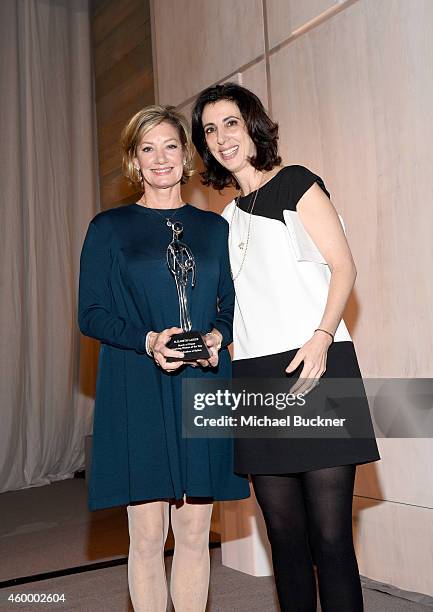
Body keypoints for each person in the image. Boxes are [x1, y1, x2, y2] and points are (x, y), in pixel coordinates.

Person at [191, 83, 380, 612]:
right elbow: (240, 307)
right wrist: (214, 342)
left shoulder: (297, 184)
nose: (222, 137)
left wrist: (321, 337)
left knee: (332, 541)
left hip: (315, 368)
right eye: (210, 129)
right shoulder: (226, 220)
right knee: (285, 542)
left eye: (230, 123)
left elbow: (345, 267)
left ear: (253, 125)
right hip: (255, 380)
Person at [78, 105, 249, 612]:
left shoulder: (213, 228)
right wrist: (148, 340)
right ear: (134, 159)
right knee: (148, 534)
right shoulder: (109, 228)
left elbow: (228, 306)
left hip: (204, 384)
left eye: (170, 146)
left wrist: (218, 337)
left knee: (196, 532)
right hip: (137, 385)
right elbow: (91, 314)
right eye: (147, 148)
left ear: (186, 156)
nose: (160, 158)